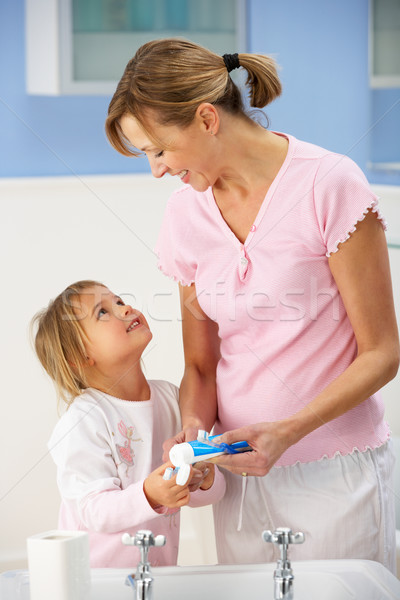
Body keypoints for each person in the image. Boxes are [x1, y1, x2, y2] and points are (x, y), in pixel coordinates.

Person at [105, 39, 399, 572]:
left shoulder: (328, 184)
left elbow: (382, 352)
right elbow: (201, 363)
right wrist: (195, 435)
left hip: (335, 473)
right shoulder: (183, 216)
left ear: (206, 118)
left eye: (159, 149)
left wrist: (287, 431)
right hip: (240, 479)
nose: (156, 169)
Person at [31, 280, 225, 568]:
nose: (125, 309)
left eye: (119, 301)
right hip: (95, 583)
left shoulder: (172, 399)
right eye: (103, 312)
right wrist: (148, 493)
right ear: (80, 357)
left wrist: (205, 479)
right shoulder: (84, 420)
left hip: (156, 576)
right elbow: (93, 508)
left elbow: (212, 493)